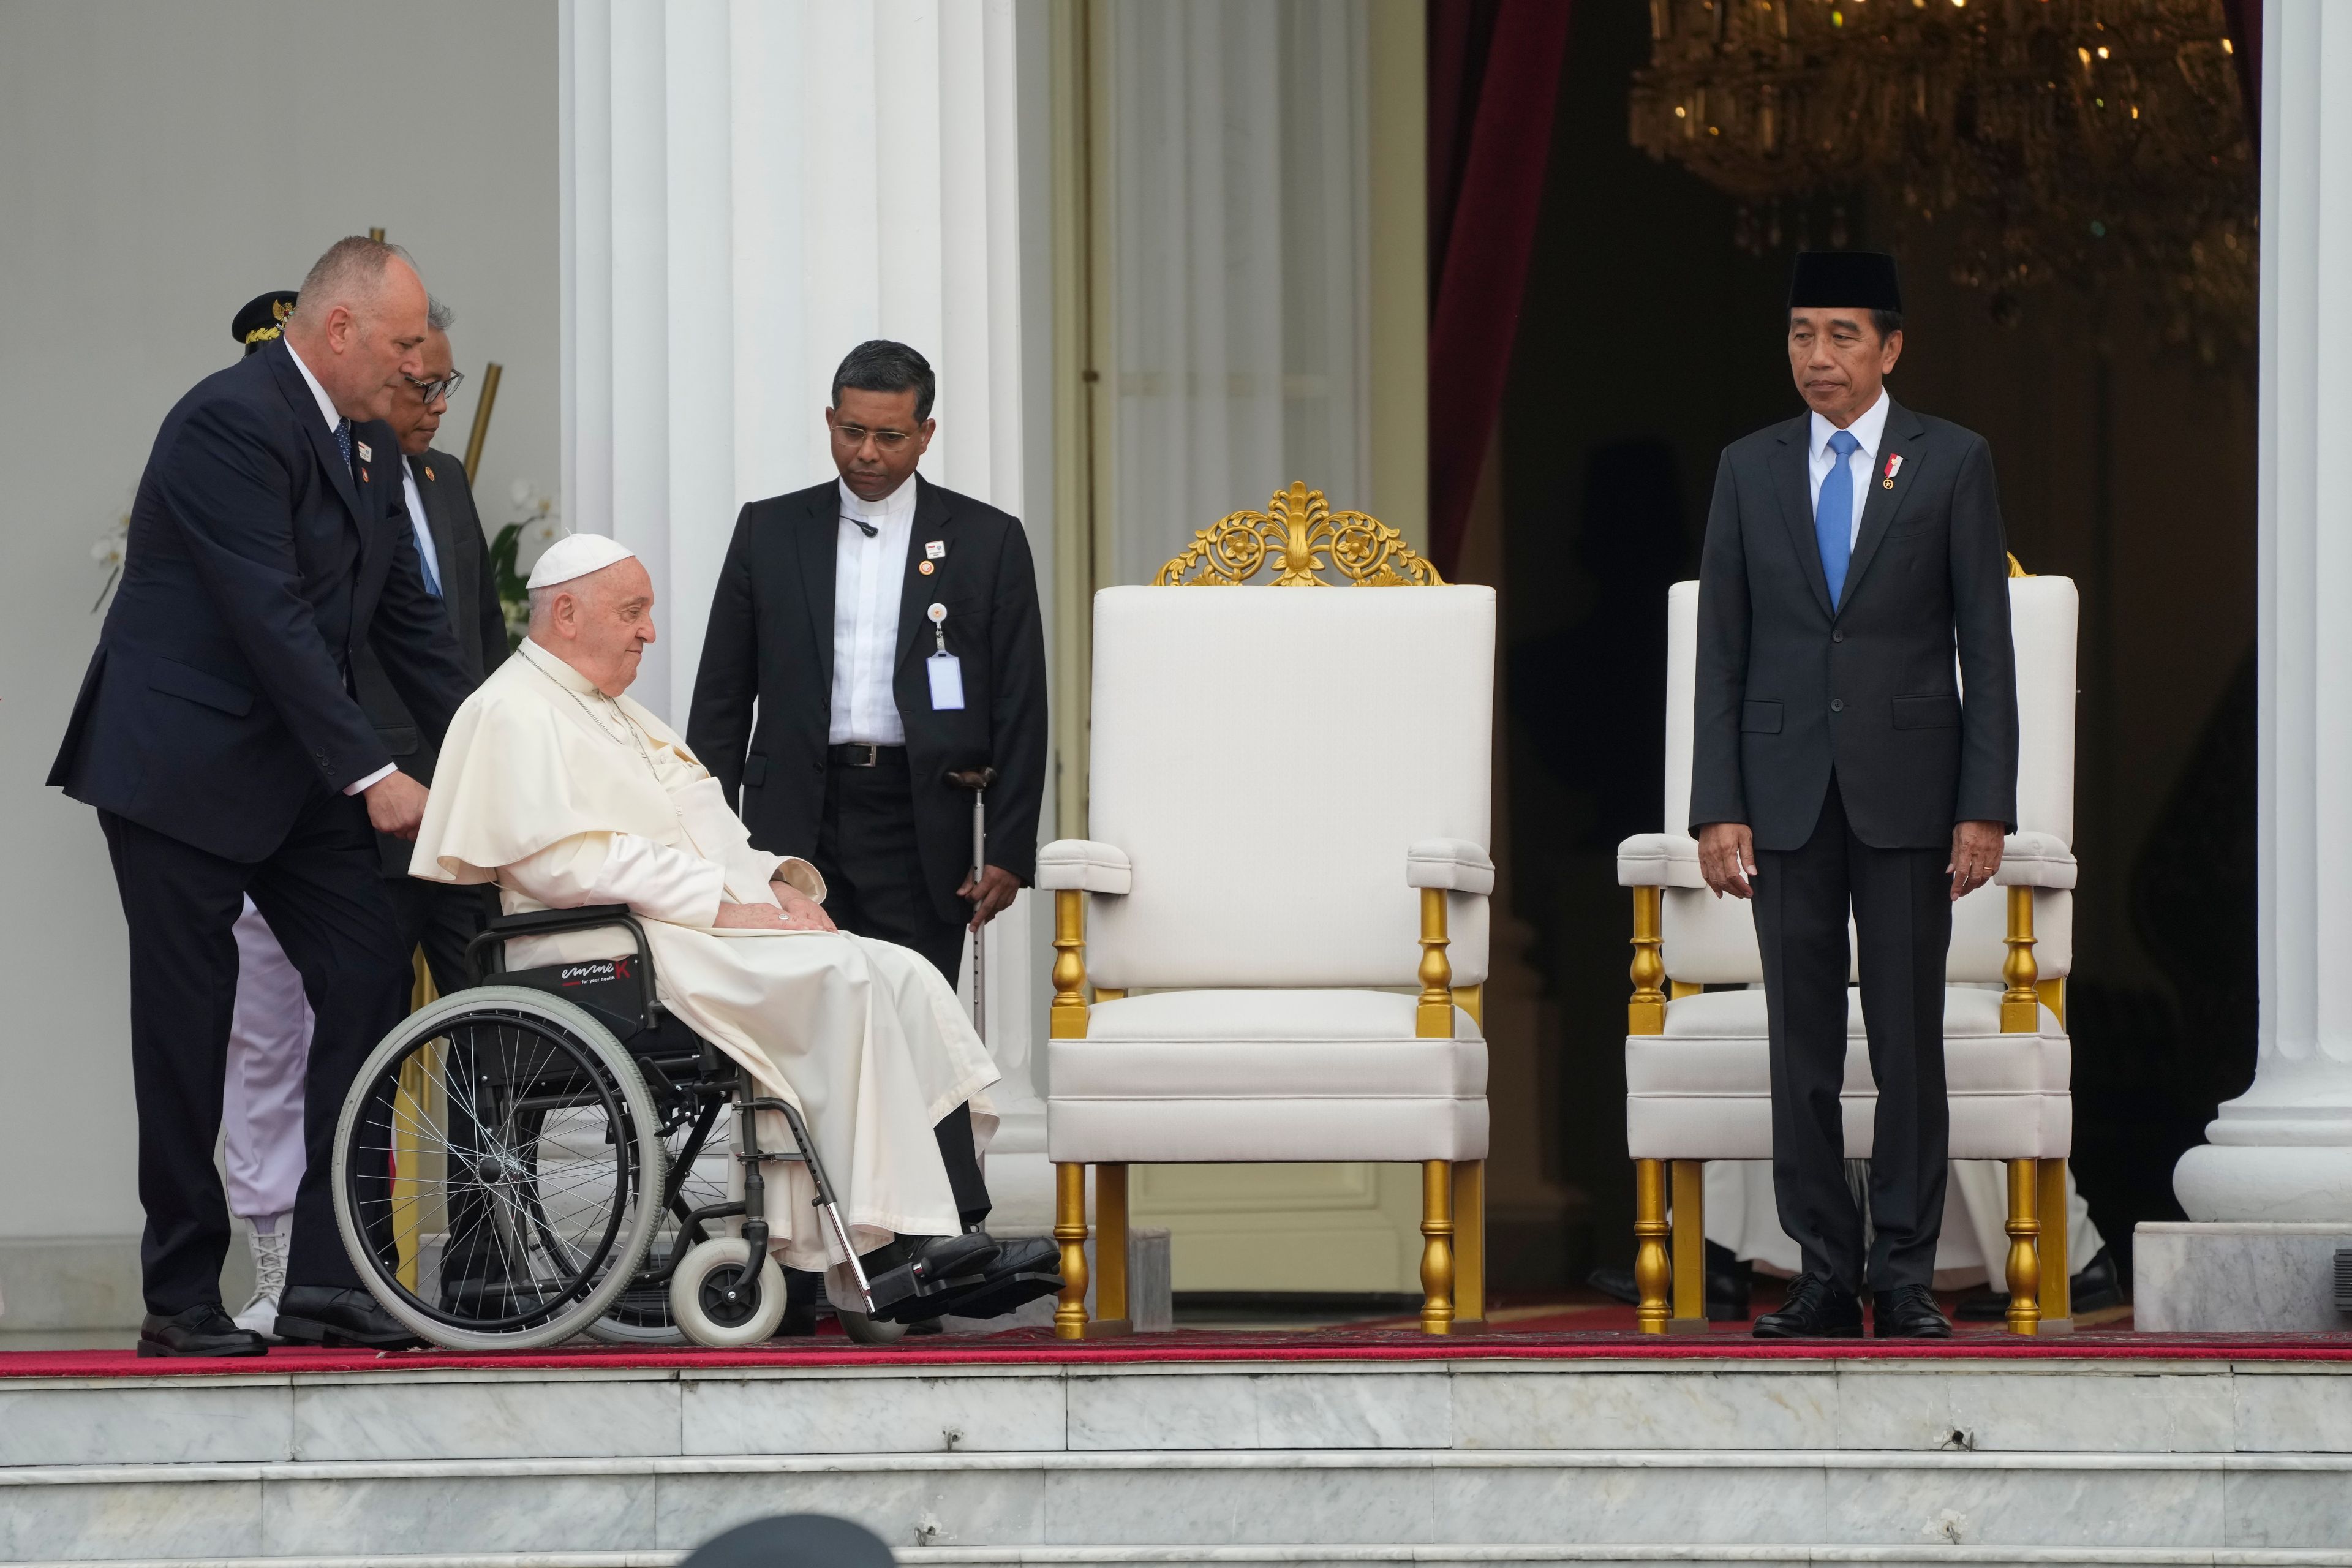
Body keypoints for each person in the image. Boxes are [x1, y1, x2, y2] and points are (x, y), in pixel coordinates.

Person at [409, 535, 1036, 1308]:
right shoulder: (508, 709)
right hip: (606, 949)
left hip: (684, 930)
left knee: (899, 969)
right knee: (839, 977)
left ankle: (950, 1228)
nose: (650, 632)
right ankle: (890, 1242)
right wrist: (723, 905)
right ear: (566, 614)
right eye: (633, 612)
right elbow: (564, 866)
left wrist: (779, 885)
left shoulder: (618, 712)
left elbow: (713, 833)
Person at [49, 237, 472, 1358]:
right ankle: (181, 1299)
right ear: (339, 331)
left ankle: (333, 1276)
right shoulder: (229, 421)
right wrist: (377, 774)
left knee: (368, 967)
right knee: (189, 1024)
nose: (415, 367)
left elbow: (410, 630)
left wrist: (504, 753)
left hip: (290, 779)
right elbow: (270, 620)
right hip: (180, 773)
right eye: (400, 345)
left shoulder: (372, 448)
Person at [1689, 250, 2019, 1340]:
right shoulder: (1750, 466)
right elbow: (1722, 650)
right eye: (1799, 335)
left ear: (1890, 347)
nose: (1816, 358)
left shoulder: (1951, 462)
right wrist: (1716, 801)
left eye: (1839, 336)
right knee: (1802, 1049)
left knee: (1909, 1039)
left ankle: (1909, 1274)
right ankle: (1826, 1272)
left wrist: (1985, 804)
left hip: (1913, 790)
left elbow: (1988, 643)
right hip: (1781, 793)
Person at [217, 294, 513, 1336]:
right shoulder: (305, 481)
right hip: (359, 804)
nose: (430, 403)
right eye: (415, 381)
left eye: (443, 385)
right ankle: (355, 1260)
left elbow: (459, 647)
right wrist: (373, 771)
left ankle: (489, 1255)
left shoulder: (441, 482)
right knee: (352, 1029)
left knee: (490, 1016)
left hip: (457, 804)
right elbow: (304, 644)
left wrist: (504, 763)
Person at [685, 341, 1049, 997]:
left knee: (912, 1023)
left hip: (920, 822)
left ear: (926, 434)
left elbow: (1021, 704)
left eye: (890, 436)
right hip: (794, 818)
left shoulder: (988, 541)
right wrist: (711, 837)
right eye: (852, 432)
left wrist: (1008, 846)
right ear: (830, 421)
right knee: (801, 1023)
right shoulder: (768, 530)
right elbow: (722, 697)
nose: (868, 453)